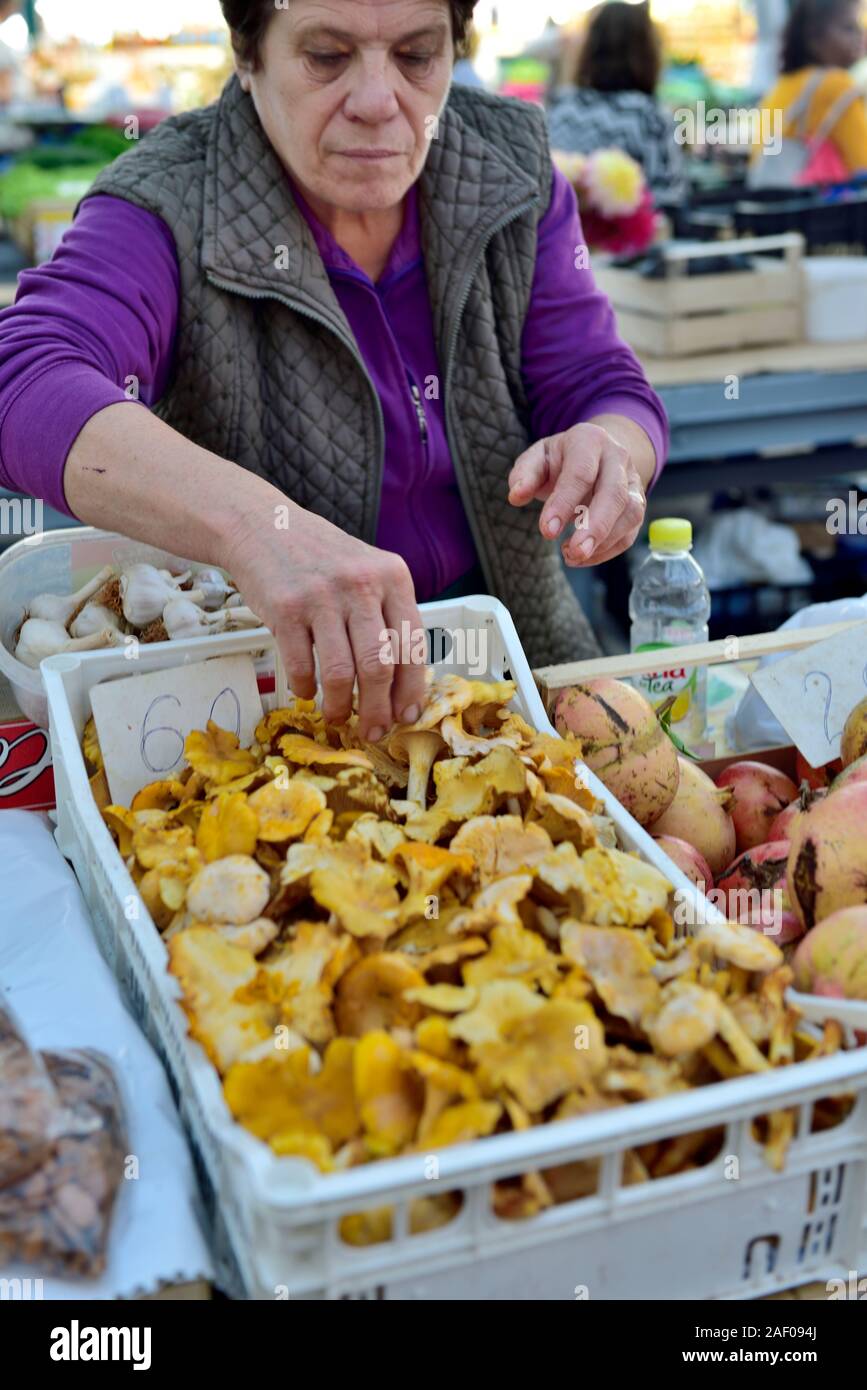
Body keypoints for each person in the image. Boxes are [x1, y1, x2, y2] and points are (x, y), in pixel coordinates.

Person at [0, 0, 668, 740]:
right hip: (268, 720)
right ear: (247, 55)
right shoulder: (165, 205)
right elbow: (25, 374)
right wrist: (257, 531)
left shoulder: (507, 170)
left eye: (416, 57)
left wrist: (613, 446)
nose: (379, 103)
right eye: (325, 56)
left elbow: (598, 381)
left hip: (520, 683)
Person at [547, 1, 685, 202]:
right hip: (625, 233)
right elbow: (669, 197)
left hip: (562, 232)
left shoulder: (561, 106)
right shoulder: (648, 116)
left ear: (589, 47)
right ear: (648, 51)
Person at [752, 0, 867, 184]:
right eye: (848, 28)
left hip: (778, 201)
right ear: (814, 39)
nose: (861, 35)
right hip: (826, 208)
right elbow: (862, 162)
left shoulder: (781, 86)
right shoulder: (835, 85)